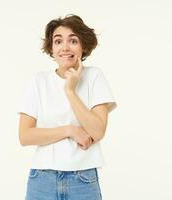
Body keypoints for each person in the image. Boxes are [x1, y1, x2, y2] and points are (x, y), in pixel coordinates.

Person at [17, 14, 117, 200]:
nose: (65, 47)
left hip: (83, 179)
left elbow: (97, 131)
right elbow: (25, 136)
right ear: (51, 48)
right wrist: (69, 130)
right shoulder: (38, 81)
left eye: (73, 40)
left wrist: (70, 91)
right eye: (58, 41)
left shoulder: (94, 76)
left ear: (83, 46)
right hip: (42, 178)